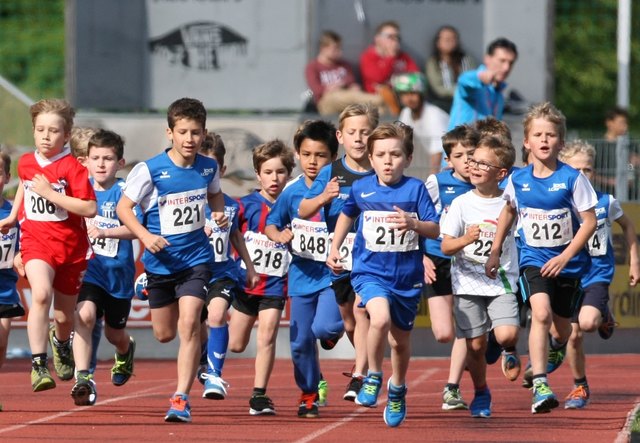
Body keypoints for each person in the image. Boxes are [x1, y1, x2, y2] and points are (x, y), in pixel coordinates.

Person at [116, 97, 228, 423]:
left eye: (195, 132)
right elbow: (124, 208)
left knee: (190, 321)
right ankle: (148, 288)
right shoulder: (149, 170)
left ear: (204, 133)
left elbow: (215, 192)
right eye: (182, 132)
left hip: (196, 260)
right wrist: (145, 236)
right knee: (165, 334)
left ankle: (180, 398)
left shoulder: (207, 167)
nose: (189, 139)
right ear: (170, 132)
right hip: (160, 264)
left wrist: (218, 213)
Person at [485, 102, 597, 414]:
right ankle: (541, 384)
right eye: (538, 134)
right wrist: (495, 251)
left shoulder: (573, 178)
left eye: (551, 135)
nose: (544, 140)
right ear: (527, 142)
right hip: (533, 258)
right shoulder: (518, 180)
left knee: (562, 331)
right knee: (540, 313)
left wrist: (565, 256)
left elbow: (588, 222)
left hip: (568, 264)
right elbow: (508, 212)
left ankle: (557, 348)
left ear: (561, 142)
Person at [327, 122, 439, 427]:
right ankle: (374, 374)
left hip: (406, 277)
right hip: (369, 271)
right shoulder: (362, 187)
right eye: (381, 155)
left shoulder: (415, 190)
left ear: (407, 157)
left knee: (400, 343)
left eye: (394, 154)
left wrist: (414, 224)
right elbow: (347, 213)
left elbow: (435, 227)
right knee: (378, 318)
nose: (388, 161)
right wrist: (335, 247)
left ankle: (398, 387)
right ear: (371, 158)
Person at [0, 99, 97, 392]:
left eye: (53, 131)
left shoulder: (74, 168)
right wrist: (14, 216)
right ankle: (39, 365)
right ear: (33, 131)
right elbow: (25, 188)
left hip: (70, 248)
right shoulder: (27, 162)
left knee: (64, 317)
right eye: (40, 129)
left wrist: (51, 194)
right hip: (36, 242)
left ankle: (60, 341)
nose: (46, 136)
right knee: (40, 295)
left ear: (66, 135)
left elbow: (90, 208)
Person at [298, 103, 379, 402]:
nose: (358, 138)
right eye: (352, 132)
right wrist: (323, 196)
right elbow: (303, 209)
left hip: (373, 258)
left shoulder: (381, 170)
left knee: (362, 311)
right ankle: (360, 361)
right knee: (336, 325)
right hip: (338, 258)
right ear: (340, 136)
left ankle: (361, 375)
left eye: (365, 132)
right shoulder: (331, 171)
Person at [265, 120, 344, 418]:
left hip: (333, 276)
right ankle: (309, 392)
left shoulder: (343, 189)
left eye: (321, 155)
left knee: (323, 328)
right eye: (307, 154)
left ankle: (331, 332)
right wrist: (279, 235)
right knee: (299, 342)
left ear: (333, 158)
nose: (313, 162)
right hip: (301, 277)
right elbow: (272, 223)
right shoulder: (291, 191)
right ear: (297, 155)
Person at [440, 135, 520, 418]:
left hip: (501, 281)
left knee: (507, 333)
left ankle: (503, 343)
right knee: (475, 345)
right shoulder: (462, 203)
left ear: (501, 174)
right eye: (472, 161)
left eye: (482, 164)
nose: (473, 167)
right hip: (467, 282)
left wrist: (496, 250)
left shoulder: (511, 200)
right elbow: (446, 245)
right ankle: (482, 391)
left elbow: (512, 214)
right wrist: (466, 239)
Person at [557, 140, 640, 409]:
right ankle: (580, 386)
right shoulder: (557, 202)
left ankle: (601, 311)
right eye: (576, 169)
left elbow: (628, 227)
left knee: (589, 324)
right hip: (568, 274)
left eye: (588, 169)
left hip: (596, 273)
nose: (583, 175)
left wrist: (635, 261)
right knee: (573, 334)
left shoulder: (606, 201)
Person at [227, 140, 294, 416]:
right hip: (246, 284)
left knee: (267, 336)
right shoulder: (246, 205)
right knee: (236, 344)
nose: (274, 178)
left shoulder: (295, 206)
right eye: (268, 172)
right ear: (257, 174)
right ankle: (208, 350)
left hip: (275, 285)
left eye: (280, 172)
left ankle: (259, 395)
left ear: (289, 174)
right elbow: (229, 231)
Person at [71, 129, 137, 406]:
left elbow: (137, 229)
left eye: (107, 158)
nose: (100, 164)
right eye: (95, 158)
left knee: (114, 334)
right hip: (89, 270)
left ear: (120, 163)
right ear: (85, 161)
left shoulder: (126, 193)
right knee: (84, 316)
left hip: (118, 274)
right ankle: (83, 377)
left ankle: (126, 350)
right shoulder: (77, 190)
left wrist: (107, 233)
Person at [196, 132, 259, 400]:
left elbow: (236, 236)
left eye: (211, 169)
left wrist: (250, 266)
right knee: (188, 325)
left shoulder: (231, 205)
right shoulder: (186, 204)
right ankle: (202, 355)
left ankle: (215, 375)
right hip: (192, 273)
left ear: (221, 169)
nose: (206, 175)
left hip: (222, 273)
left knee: (218, 314)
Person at [424, 124, 477, 410]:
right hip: (438, 259)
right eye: (460, 155)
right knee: (443, 332)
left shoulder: (488, 184)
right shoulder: (437, 183)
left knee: (466, 328)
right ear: (448, 159)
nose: (468, 161)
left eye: (472, 154)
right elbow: (420, 220)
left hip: (471, 263)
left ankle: (452, 388)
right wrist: (421, 257)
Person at [69, 126, 103, 375]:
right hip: (72, 258)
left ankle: (86, 371)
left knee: (92, 317)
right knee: (77, 314)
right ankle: (64, 342)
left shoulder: (109, 185)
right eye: (93, 157)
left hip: (101, 264)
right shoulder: (67, 185)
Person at [305, 30, 384, 116]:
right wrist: (335, 87)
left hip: (347, 99)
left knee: (379, 110)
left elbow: (352, 83)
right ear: (323, 48)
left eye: (339, 48)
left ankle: (383, 108)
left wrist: (346, 86)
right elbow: (316, 90)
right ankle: (380, 99)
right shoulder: (313, 67)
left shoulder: (343, 65)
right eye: (335, 48)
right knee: (345, 96)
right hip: (327, 101)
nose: (339, 51)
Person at [447, 38, 518, 130]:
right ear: (487, 59)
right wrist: (479, 78)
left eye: (511, 63)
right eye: (502, 61)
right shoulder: (476, 83)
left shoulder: (499, 93)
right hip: (460, 143)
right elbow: (463, 81)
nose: (506, 68)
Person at [393, 72, 450, 177]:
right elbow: (398, 139)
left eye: (413, 93)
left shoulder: (433, 115)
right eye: (405, 94)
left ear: (422, 94)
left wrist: (432, 179)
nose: (409, 98)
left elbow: (437, 152)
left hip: (449, 162)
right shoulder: (406, 112)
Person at [0, 150, 26, 373]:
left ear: (7, 177)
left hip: (4, 289)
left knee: (0, 344)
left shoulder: (14, 214)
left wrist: (20, 258)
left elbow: (20, 249)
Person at [359, 21, 419, 115]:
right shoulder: (368, 56)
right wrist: (390, 57)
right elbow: (378, 78)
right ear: (377, 39)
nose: (395, 40)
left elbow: (415, 75)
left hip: (402, 93)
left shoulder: (403, 57)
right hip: (381, 97)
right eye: (390, 37)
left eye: (397, 37)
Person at [425, 25, 477, 113]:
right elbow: (438, 89)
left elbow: (474, 80)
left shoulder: (466, 60)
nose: (450, 42)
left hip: (467, 100)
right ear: (438, 42)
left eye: (453, 39)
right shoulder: (433, 62)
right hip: (443, 103)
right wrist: (459, 90)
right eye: (446, 40)